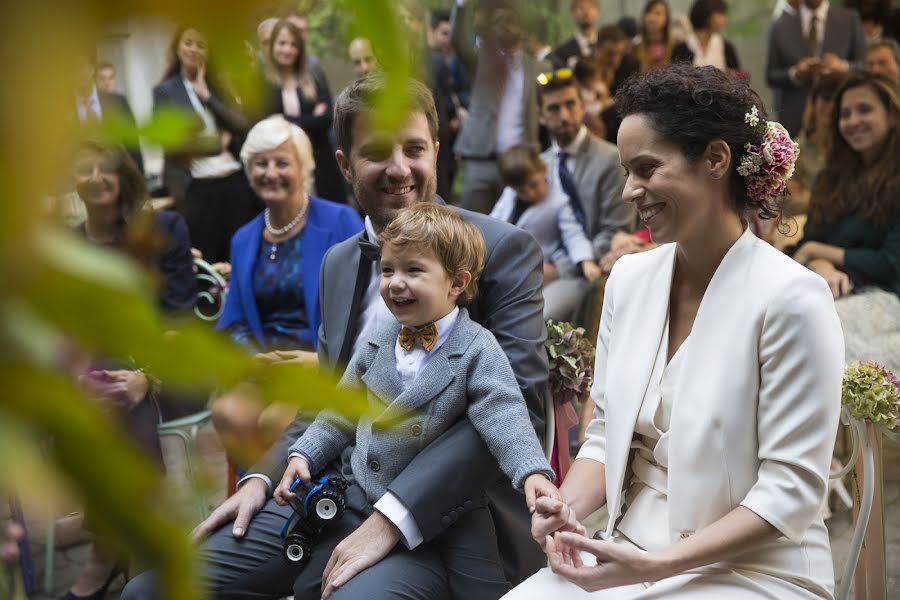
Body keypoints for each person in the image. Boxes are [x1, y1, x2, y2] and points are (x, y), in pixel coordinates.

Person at [122, 74, 549, 600]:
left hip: (447, 523)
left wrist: (393, 517)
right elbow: (331, 394)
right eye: (375, 152)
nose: (398, 168)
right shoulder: (339, 261)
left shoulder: (503, 250)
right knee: (150, 591)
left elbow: (517, 408)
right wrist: (262, 477)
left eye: (413, 149)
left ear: (436, 152)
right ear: (344, 165)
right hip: (327, 494)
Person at [504, 63, 844, 599]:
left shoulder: (792, 298)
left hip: (754, 569)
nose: (628, 192)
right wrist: (565, 509)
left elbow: (791, 493)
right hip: (628, 548)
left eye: (645, 169)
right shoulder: (629, 280)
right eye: (624, 171)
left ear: (715, 159)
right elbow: (605, 431)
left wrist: (656, 566)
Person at [277, 203, 558, 599]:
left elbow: (505, 414)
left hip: (447, 510)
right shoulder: (378, 337)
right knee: (313, 583)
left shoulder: (476, 348)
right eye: (388, 269)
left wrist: (532, 473)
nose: (395, 283)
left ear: (457, 282)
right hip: (364, 493)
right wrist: (303, 454)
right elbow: (341, 410)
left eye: (414, 271)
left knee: (481, 587)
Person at [65, 139, 196, 600]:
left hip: (162, 371)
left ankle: (108, 548)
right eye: (86, 167)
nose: (97, 178)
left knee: (116, 402)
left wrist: (144, 377)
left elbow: (179, 320)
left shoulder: (162, 228)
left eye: (108, 169)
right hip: (94, 377)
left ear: (125, 176)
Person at [210, 115, 363, 465]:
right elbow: (233, 320)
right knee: (227, 411)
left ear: (304, 168)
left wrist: (320, 360)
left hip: (320, 365)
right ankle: (265, 498)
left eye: (282, 162)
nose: (271, 172)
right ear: (249, 172)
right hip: (267, 368)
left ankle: (286, 506)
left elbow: (363, 304)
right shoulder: (244, 238)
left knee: (273, 422)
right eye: (261, 164)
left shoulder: (339, 221)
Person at [790, 71, 900, 373]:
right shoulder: (831, 178)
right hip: (825, 291)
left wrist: (819, 251)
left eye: (864, 109)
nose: (852, 121)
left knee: (817, 346)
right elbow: (803, 247)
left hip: (883, 301)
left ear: (891, 115)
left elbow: (890, 264)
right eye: (845, 114)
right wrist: (818, 264)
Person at [152, 25, 260, 264]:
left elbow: (241, 126)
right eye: (188, 42)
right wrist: (215, 144)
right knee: (208, 261)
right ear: (177, 47)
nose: (194, 49)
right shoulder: (164, 92)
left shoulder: (218, 87)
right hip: (196, 189)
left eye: (201, 45)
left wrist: (206, 97)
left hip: (235, 182)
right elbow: (173, 143)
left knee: (242, 257)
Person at [537, 69, 633, 322]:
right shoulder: (538, 166)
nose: (564, 116)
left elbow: (615, 231)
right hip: (539, 267)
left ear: (583, 107)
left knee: (540, 318)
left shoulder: (611, 159)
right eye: (554, 109)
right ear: (541, 116)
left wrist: (560, 270)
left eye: (570, 105)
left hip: (586, 270)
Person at [452, 0, 551, 214]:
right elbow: (459, 42)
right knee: (472, 226)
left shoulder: (539, 67)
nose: (506, 27)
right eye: (499, 21)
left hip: (521, 159)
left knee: (519, 225)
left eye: (511, 21)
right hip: (480, 158)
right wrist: (461, 5)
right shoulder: (482, 60)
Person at [491, 144, 602, 301]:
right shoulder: (509, 195)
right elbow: (494, 220)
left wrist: (586, 261)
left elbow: (574, 234)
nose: (529, 193)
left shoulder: (559, 202)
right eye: (522, 191)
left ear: (544, 168)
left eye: (534, 185)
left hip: (540, 265)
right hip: (507, 264)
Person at [264, 19, 344, 204]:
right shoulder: (263, 84)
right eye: (282, 43)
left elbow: (326, 118)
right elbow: (266, 125)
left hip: (319, 160)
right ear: (272, 45)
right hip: (283, 164)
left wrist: (284, 120)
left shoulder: (313, 75)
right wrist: (310, 118)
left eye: (293, 44)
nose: (288, 50)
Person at [765, 0, 867, 135]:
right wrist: (796, 73)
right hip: (794, 119)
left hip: (840, 112)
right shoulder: (781, 25)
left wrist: (842, 66)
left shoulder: (849, 19)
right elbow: (771, 75)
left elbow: (865, 66)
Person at [783, 72, 845, 218]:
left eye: (838, 101)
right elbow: (783, 201)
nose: (831, 106)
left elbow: (845, 204)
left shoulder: (852, 151)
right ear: (814, 102)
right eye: (826, 98)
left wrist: (804, 194)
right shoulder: (794, 147)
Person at [75, 52, 143, 175]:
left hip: (116, 178)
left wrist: (139, 181)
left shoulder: (118, 102)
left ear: (91, 69)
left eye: (80, 65)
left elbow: (133, 147)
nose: (77, 72)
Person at [672, 0, 741, 74]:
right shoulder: (681, 48)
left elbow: (737, 76)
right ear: (706, 15)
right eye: (720, 15)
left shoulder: (726, 47)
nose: (725, 20)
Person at [552, 0, 601, 69]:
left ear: (598, 13)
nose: (586, 13)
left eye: (590, 7)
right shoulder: (562, 52)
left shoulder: (606, 45)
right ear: (572, 15)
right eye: (581, 8)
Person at [632, 1, 675, 73]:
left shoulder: (676, 46)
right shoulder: (634, 48)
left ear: (666, 18)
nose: (652, 18)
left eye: (658, 13)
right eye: (648, 12)